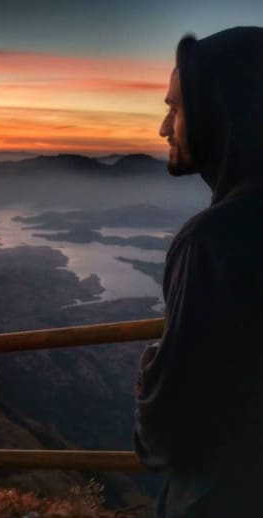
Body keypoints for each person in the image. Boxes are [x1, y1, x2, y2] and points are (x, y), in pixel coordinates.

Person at [133, 27, 263, 517]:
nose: (165, 128)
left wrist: (150, 364)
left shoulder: (214, 243)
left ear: (219, 114)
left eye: (176, 108)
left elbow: (165, 435)